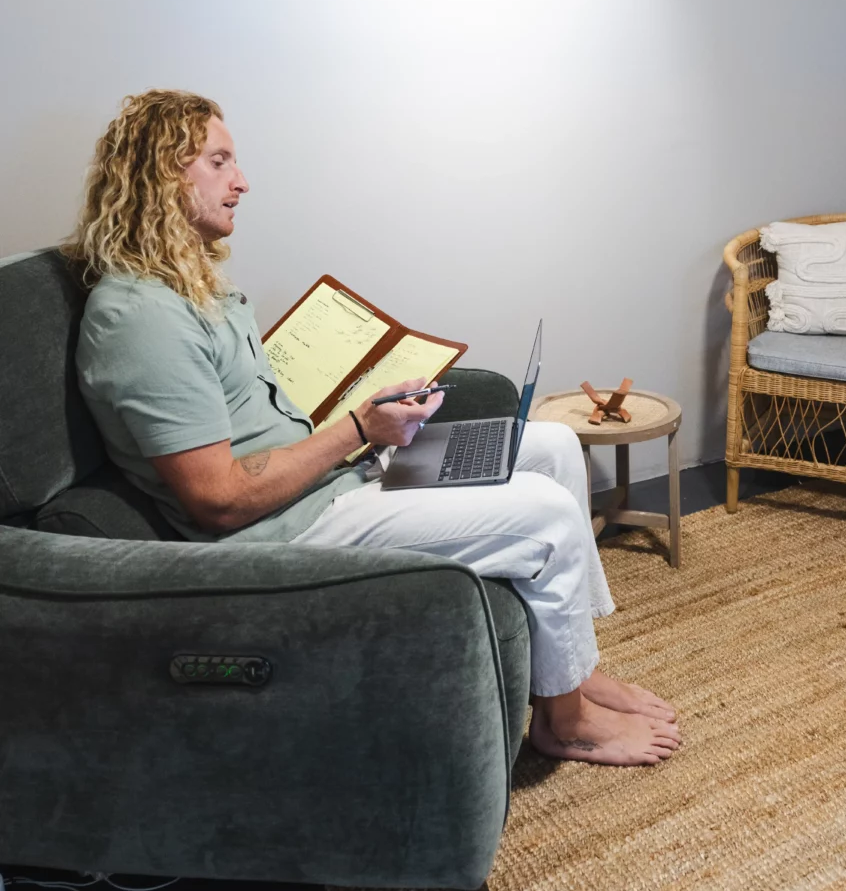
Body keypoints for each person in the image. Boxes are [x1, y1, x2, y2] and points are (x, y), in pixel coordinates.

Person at [68, 90, 680, 767]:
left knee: (550, 446)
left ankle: (573, 670)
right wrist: (360, 426)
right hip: (282, 534)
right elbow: (218, 499)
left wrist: (367, 416)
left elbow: (247, 425)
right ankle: (563, 724)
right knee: (544, 513)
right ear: (161, 175)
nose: (241, 181)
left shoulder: (194, 289)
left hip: (331, 487)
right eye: (219, 162)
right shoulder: (139, 318)